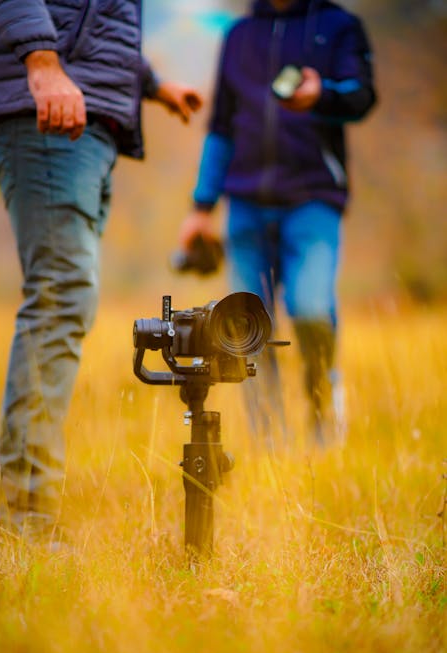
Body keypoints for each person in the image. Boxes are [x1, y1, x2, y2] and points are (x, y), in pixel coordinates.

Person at [0, 1, 202, 541]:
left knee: (65, 301)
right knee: (61, 298)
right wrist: (43, 64)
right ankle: (23, 517)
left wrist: (151, 83)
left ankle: (22, 503)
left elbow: (95, 17)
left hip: (86, 118)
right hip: (47, 107)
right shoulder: (44, 70)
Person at [178, 0, 377, 447]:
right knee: (247, 330)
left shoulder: (339, 26)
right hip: (245, 204)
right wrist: (201, 207)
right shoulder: (239, 36)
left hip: (313, 199)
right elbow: (221, 126)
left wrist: (322, 93)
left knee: (309, 309)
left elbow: (362, 95)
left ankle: (323, 402)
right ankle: (271, 443)